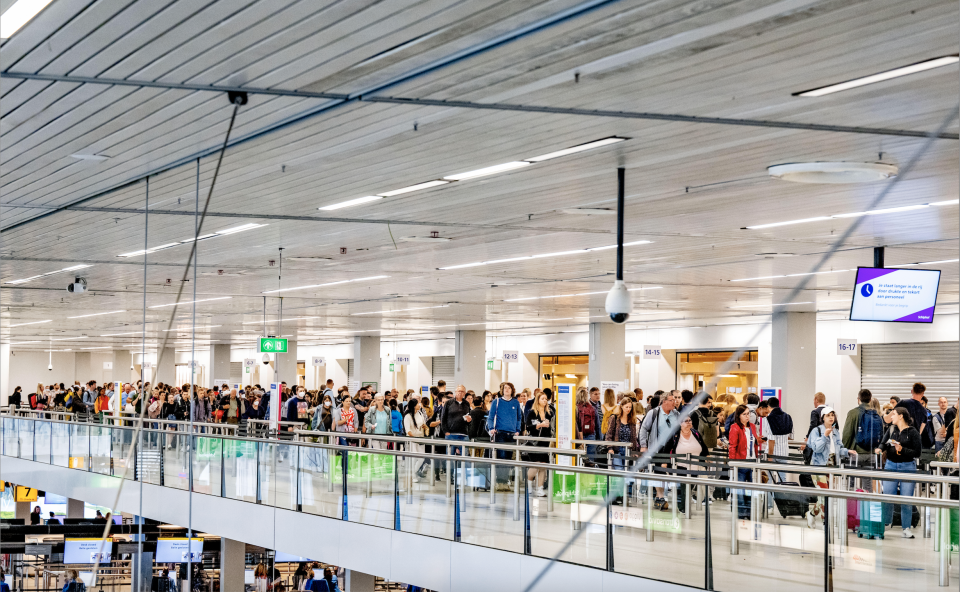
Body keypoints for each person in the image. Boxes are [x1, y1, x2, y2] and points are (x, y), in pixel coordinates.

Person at [876, 406, 922, 538]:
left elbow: (917, 453)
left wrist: (902, 450)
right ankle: (885, 524)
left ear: (901, 416)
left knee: (906, 499)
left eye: (894, 414)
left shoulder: (913, 432)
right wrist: (879, 449)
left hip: (907, 467)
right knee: (887, 497)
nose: (891, 416)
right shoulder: (892, 429)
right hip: (890, 465)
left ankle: (906, 528)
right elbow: (884, 443)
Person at [662, 416, 709, 512]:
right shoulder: (675, 435)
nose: (689, 422)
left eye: (690, 420)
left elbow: (703, 446)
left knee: (690, 486)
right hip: (680, 466)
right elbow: (667, 448)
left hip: (695, 466)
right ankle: (683, 507)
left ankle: (683, 505)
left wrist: (707, 456)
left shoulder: (696, 433)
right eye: (686, 421)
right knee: (684, 486)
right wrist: (664, 462)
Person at [605, 395, 640, 505]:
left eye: (630, 407)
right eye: (626, 407)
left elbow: (634, 437)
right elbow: (609, 434)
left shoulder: (632, 420)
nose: (628, 409)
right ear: (621, 407)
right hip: (617, 450)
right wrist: (610, 448)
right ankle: (616, 496)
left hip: (628, 451)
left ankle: (624, 496)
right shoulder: (614, 418)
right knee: (619, 473)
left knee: (628, 474)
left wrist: (635, 452)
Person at [728, 404, 760, 520]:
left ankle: (751, 512)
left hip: (752, 462)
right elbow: (732, 446)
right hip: (740, 462)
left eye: (748, 413)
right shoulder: (735, 427)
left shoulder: (752, 426)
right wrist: (732, 464)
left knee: (752, 490)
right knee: (740, 491)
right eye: (744, 414)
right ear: (739, 416)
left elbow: (755, 444)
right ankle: (741, 513)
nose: (747, 416)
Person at [525, 392, 554, 497]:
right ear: (537, 400)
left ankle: (540, 488)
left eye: (546, 399)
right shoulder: (532, 412)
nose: (545, 401)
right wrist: (539, 425)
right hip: (534, 443)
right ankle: (529, 484)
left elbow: (552, 427)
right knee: (536, 464)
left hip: (545, 442)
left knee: (543, 466)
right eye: (542, 399)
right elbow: (528, 427)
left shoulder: (549, 413)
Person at [486, 382, 523, 460]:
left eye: (509, 388)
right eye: (505, 388)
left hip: (512, 434)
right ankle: (501, 472)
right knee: (501, 457)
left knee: (509, 458)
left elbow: (519, 418)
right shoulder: (496, 402)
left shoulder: (516, 402)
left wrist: (518, 430)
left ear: (512, 391)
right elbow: (490, 417)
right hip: (500, 433)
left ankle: (507, 472)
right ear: (502, 390)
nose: (507, 389)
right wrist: (491, 428)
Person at [441, 384, 472, 454]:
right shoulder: (449, 403)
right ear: (455, 392)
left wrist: (469, 421)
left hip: (463, 435)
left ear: (464, 393)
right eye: (459, 391)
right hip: (451, 434)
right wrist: (446, 432)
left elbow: (468, 418)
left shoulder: (467, 404)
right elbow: (443, 418)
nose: (460, 393)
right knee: (450, 459)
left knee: (465, 458)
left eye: (462, 391)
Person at [896, 383, 928, 448]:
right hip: (913, 442)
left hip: (900, 439)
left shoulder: (903, 403)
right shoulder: (924, 411)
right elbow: (920, 431)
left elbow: (892, 417)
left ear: (912, 391)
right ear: (922, 394)